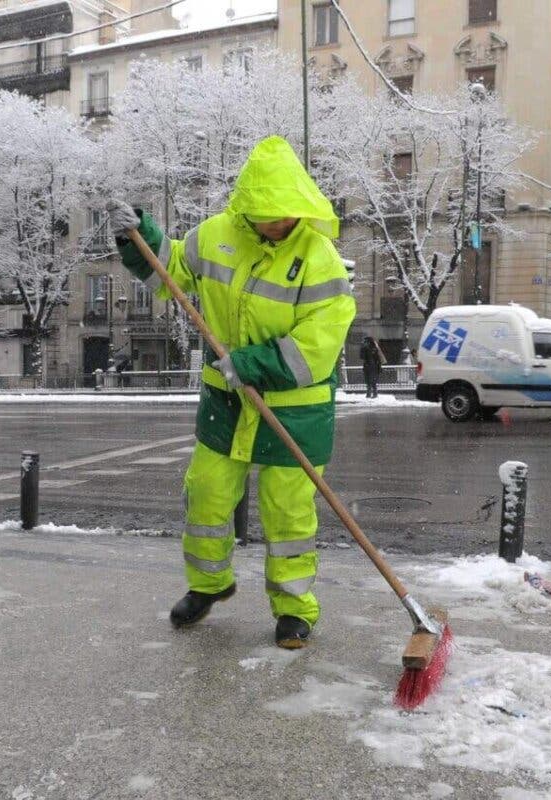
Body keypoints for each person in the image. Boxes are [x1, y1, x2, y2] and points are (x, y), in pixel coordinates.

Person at [106, 135, 356, 649]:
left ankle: (293, 609)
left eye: (285, 212)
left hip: (295, 409)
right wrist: (141, 239)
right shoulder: (215, 235)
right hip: (226, 402)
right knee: (207, 494)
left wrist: (251, 362)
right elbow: (171, 270)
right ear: (246, 205)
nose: (277, 223)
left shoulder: (319, 259)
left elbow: (319, 344)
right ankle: (208, 585)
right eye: (266, 213)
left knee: (288, 514)